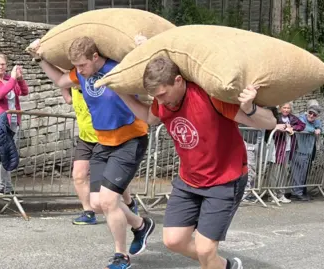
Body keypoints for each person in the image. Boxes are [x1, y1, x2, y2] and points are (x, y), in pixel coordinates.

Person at [116, 55, 276, 269]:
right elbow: (149, 116)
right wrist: (120, 91)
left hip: (224, 180)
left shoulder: (211, 97)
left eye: (163, 94)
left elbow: (270, 122)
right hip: (189, 180)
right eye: (156, 97)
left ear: (179, 81)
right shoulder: (163, 100)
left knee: (205, 249)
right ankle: (224, 266)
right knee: (173, 240)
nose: (160, 101)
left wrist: (250, 108)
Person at [26, 37, 154, 269]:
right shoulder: (81, 73)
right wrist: (39, 58)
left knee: (108, 200)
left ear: (96, 57)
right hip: (103, 142)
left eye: (83, 65)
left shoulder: (118, 68)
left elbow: (147, 74)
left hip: (130, 139)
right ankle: (140, 225)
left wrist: (144, 49)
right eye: (77, 67)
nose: (80, 71)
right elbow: (60, 79)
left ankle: (120, 255)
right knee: (95, 203)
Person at [60, 87, 139, 225]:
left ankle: (130, 203)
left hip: (103, 137)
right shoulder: (72, 86)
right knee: (78, 175)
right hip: (85, 138)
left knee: (112, 177)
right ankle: (88, 213)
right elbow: (68, 99)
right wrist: (61, 84)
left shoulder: (94, 89)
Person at [0, 53, 29, 196]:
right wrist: (13, 80)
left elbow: (24, 92)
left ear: (6, 65)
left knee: (9, 153)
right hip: (0, 123)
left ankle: (3, 186)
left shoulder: (10, 78)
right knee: (5, 154)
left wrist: (20, 79)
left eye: (2, 64)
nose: (0, 66)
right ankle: (4, 186)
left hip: (14, 121)